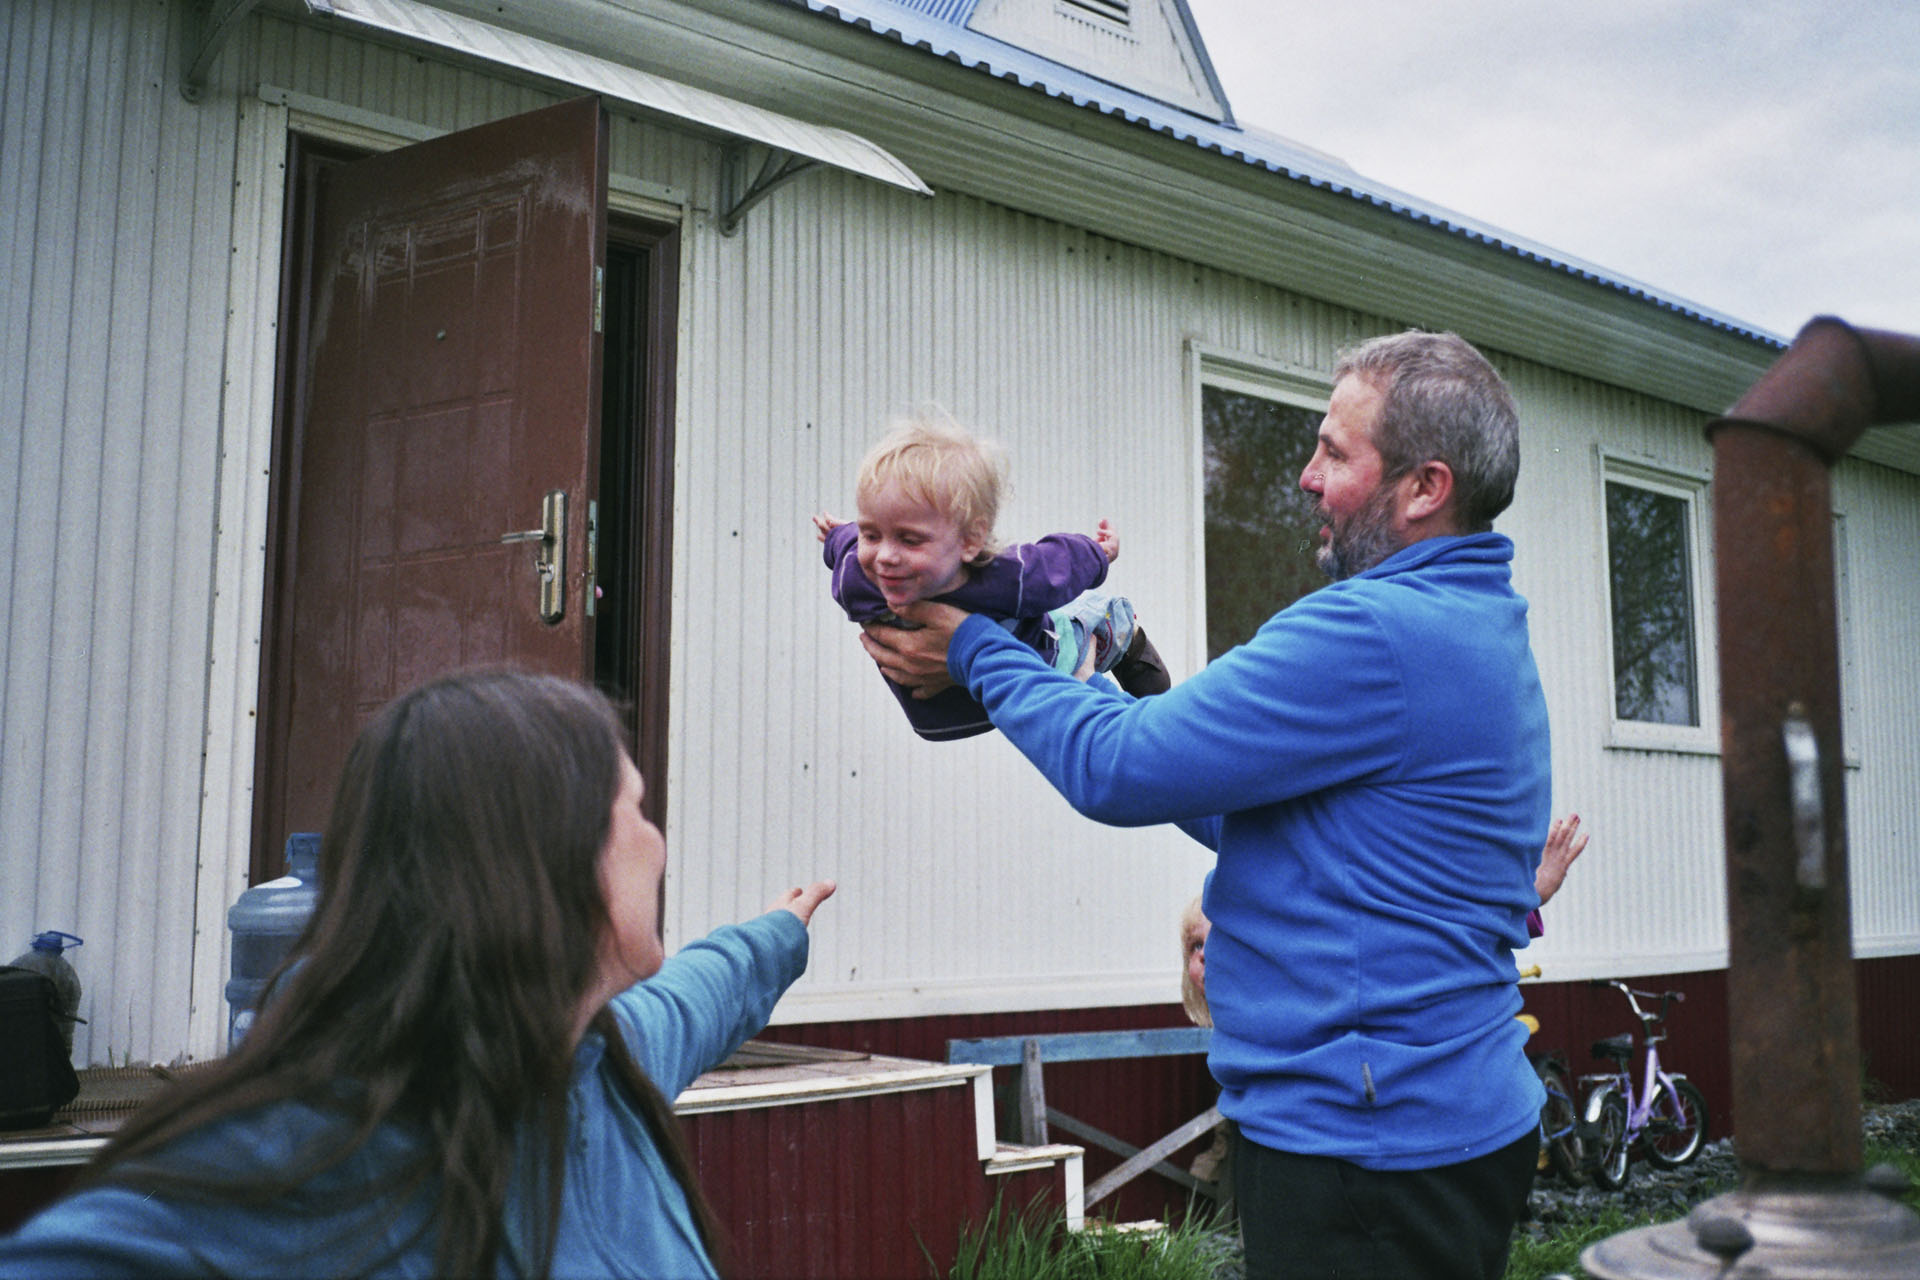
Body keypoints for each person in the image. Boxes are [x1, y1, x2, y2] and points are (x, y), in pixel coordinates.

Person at [860, 330, 1549, 1280]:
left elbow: (1121, 773)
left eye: (1334, 452)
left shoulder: (1374, 631)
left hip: (1367, 1147)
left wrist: (977, 651)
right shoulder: (1471, 620)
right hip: (1420, 1127)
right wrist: (1111, 681)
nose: (1306, 476)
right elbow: (1252, 817)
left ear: (1424, 487)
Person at [0, 669, 835, 1280]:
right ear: (547, 855)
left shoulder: (601, 1057)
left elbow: (704, 988)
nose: (655, 841)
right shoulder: (309, 1158)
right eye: (637, 810)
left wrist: (780, 929)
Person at [815, 408, 1168, 741]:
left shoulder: (1000, 575)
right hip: (1002, 696)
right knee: (1086, 618)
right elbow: (847, 544)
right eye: (871, 534)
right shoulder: (857, 575)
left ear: (971, 541)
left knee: (1087, 609)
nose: (885, 557)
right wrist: (837, 535)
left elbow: (1054, 565)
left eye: (910, 539)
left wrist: (1096, 553)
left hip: (1018, 689)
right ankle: (1116, 634)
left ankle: (1134, 661)